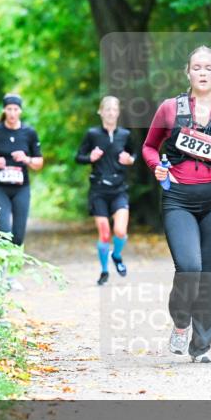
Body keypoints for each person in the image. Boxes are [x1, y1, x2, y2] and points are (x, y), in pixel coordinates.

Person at [141, 46, 211, 363]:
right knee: (189, 268)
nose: (202, 72)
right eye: (197, 67)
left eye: (209, 67)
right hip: (178, 199)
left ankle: (201, 346)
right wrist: (157, 167)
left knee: (210, 275)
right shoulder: (169, 109)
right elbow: (149, 147)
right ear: (187, 72)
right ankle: (180, 322)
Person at [75, 96, 135, 285]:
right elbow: (78, 157)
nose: (110, 112)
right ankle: (104, 271)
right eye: (107, 109)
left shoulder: (125, 134)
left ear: (118, 112)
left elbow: (134, 154)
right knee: (104, 234)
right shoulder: (92, 134)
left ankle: (116, 255)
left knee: (120, 231)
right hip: (98, 190)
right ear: (100, 112)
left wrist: (130, 160)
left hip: (119, 189)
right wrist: (90, 157)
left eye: (114, 109)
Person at [0, 92, 43, 261]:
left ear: (20, 111)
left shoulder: (29, 132)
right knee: (4, 231)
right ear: (4, 110)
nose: (12, 113)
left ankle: (13, 274)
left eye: (15, 109)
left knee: (18, 235)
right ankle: (3, 274)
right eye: (9, 109)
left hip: (21, 188)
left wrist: (26, 159)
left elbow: (39, 162)